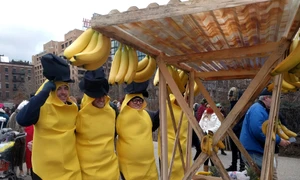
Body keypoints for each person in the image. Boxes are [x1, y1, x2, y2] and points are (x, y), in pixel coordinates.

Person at [16, 53, 81, 180]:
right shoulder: (41, 107)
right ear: (51, 90)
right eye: (58, 89)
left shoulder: (73, 108)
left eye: (65, 88)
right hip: (45, 171)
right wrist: (43, 92)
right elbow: (22, 119)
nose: (63, 92)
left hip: (70, 168)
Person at [76, 67, 120, 179]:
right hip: (89, 173)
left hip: (111, 171)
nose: (101, 99)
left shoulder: (112, 112)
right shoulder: (77, 114)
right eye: (97, 96)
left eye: (103, 95)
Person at [239, 88, 291, 170]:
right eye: (275, 98)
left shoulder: (260, 109)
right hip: (254, 151)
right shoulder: (258, 110)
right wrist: (278, 140)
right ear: (266, 98)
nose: (277, 102)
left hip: (254, 149)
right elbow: (259, 131)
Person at [116, 81, 158, 180]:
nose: (138, 103)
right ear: (128, 101)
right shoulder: (118, 117)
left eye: (140, 100)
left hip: (148, 167)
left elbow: (160, 116)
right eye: (135, 100)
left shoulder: (148, 115)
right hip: (129, 168)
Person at [158, 94, 189, 179]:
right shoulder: (166, 108)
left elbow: (190, 131)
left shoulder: (188, 111)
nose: (186, 101)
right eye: (184, 98)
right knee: (168, 175)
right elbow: (154, 121)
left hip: (183, 151)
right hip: (167, 151)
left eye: (187, 99)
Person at [226, 88, 245, 171]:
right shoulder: (232, 104)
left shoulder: (242, 105)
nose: (230, 97)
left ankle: (242, 166)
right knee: (234, 149)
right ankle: (234, 165)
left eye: (231, 95)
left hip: (239, 130)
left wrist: (237, 127)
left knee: (240, 149)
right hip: (233, 129)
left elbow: (243, 118)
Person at [7, 100, 28, 178]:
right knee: (16, 158)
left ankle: (16, 172)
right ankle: (14, 174)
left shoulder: (14, 114)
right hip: (17, 140)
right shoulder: (17, 115)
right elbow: (17, 128)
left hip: (17, 140)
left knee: (18, 158)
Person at [199, 104, 221, 171]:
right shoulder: (205, 114)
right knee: (205, 154)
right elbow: (200, 123)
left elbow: (218, 125)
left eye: (210, 106)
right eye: (207, 107)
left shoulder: (217, 115)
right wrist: (203, 130)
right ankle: (205, 171)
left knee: (212, 154)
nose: (208, 108)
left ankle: (213, 172)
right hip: (204, 137)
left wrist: (209, 131)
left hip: (212, 137)